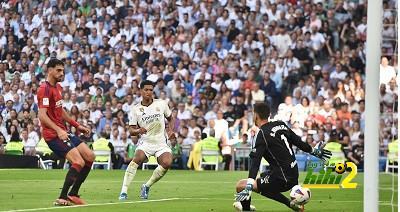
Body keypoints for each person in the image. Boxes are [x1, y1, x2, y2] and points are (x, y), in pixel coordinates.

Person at [233, 102, 331, 211]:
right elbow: (298, 141)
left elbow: (255, 162)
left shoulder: (261, 135)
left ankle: (248, 209)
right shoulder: (281, 124)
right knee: (259, 179)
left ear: (255, 115)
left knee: (241, 185)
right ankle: (248, 206)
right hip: (293, 174)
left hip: (282, 179)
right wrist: (314, 151)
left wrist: (249, 186)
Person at [37, 59, 95, 206]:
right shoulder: (45, 89)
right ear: (50, 70)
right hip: (53, 135)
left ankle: (73, 194)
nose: (62, 73)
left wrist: (77, 125)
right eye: (58, 70)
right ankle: (62, 197)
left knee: (89, 156)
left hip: (63, 131)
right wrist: (57, 130)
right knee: (78, 161)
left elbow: (59, 109)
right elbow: (42, 115)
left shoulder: (58, 87)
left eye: (63, 70)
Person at [119, 80, 175, 200]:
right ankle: (124, 191)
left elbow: (171, 118)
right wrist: (139, 131)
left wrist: (170, 130)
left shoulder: (161, 104)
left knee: (167, 163)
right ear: (141, 91)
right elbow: (131, 130)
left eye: (151, 90)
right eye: (146, 90)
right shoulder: (136, 109)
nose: (149, 92)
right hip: (146, 143)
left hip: (161, 143)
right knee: (136, 159)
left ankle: (147, 185)